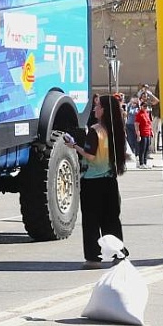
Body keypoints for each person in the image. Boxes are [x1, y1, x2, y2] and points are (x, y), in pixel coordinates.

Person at [64, 94, 127, 269]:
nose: (94, 109)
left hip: (92, 181)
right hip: (110, 180)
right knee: (112, 220)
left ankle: (93, 257)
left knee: (91, 221)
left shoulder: (95, 130)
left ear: (104, 110)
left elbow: (90, 155)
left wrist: (74, 146)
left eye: (97, 106)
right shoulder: (116, 131)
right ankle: (118, 253)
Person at [135, 103, 154, 169]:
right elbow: (136, 125)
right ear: (141, 106)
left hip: (148, 133)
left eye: (146, 106)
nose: (145, 107)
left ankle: (145, 163)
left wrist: (151, 131)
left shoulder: (147, 113)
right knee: (142, 149)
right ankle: (141, 163)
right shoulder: (139, 114)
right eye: (144, 106)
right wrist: (138, 135)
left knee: (146, 149)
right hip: (142, 133)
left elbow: (149, 123)